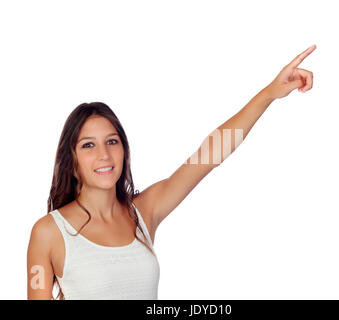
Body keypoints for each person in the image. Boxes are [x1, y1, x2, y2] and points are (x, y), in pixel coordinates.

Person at [27, 44, 316, 300]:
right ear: (72, 159)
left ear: (124, 149)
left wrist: (270, 93)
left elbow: (211, 154)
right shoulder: (49, 232)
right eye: (88, 145)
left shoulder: (143, 213)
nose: (104, 154)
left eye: (112, 141)